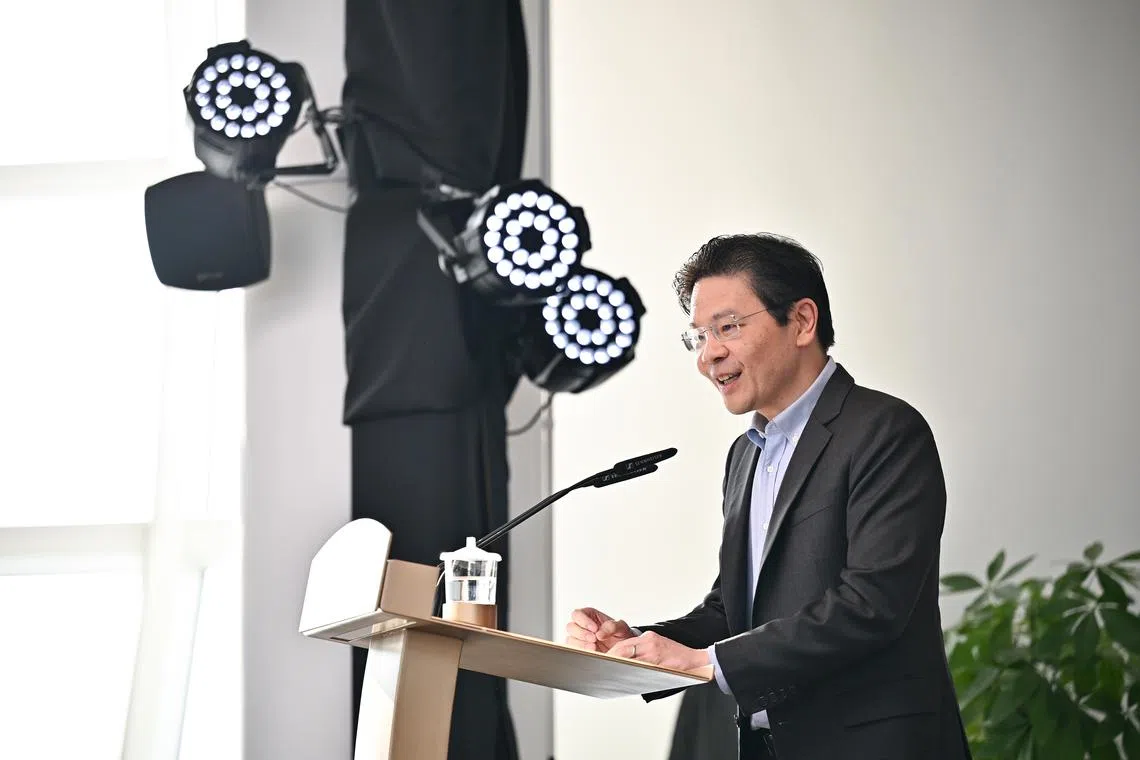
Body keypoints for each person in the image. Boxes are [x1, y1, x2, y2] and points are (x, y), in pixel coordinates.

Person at [565, 234, 971, 760]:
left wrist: (707, 662)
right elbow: (734, 611)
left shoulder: (886, 431)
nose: (709, 355)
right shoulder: (745, 455)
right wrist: (637, 644)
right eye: (699, 336)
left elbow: (871, 605)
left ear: (801, 321)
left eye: (728, 327)